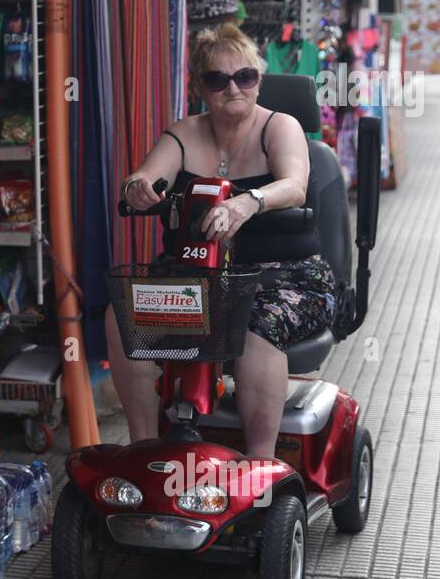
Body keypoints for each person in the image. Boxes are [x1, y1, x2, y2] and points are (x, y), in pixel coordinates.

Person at [107, 24, 337, 459]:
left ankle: (260, 466)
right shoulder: (184, 133)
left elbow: (295, 186)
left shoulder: (280, 127)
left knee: (254, 328)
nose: (233, 88)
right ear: (200, 87)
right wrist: (137, 186)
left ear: (258, 81)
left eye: (244, 77)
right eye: (218, 79)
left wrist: (248, 202)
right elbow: (146, 175)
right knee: (123, 319)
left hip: (284, 276)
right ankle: (142, 449)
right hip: (199, 277)